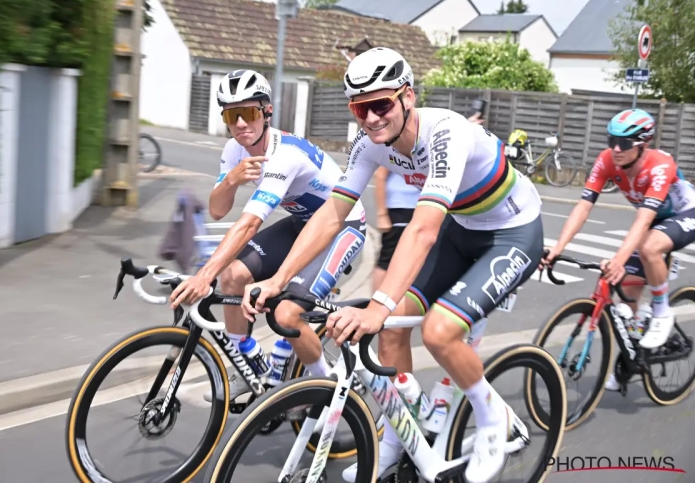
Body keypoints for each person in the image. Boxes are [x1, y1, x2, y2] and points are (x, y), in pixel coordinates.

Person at [241, 47, 544, 483]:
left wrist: (379, 303)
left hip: (511, 233)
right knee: (389, 332)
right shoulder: (367, 143)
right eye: (359, 107)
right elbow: (332, 213)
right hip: (460, 230)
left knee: (438, 331)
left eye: (380, 104)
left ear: (408, 96)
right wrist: (278, 279)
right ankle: (400, 435)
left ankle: (493, 416)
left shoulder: (446, 132)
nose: (370, 117)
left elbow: (422, 228)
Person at [169, 69, 367, 401]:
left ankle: (329, 390)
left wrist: (204, 276)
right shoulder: (234, 149)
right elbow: (218, 210)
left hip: (343, 225)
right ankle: (246, 361)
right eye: (233, 115)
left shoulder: (284, 154)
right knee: (232, 275)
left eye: (249, 112)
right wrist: (230, 180)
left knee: (285, 311)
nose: (242, 123)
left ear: (267, 112)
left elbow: (248, 224)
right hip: (303, 222)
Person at [543, 108, 695, 387]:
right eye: (611, 139)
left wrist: (619, 259)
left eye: (624, 143)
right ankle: (632, 359)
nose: (615, 148)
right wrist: (555, 248)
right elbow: (583, 207)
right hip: (653, 221)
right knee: (627, 293)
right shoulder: (606, 161)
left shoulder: (660, 165)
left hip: (686, 214)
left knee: (649, 248)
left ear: (642, 144)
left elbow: (644, 219)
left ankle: (662, 312)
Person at [373, 169, 419, 292]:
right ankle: (373, 303)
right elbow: (380, 175)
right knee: (388, 259)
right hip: (400, 205)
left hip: (423, 206)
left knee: (415, 260)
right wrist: (382, 214)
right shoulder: (396, 150)